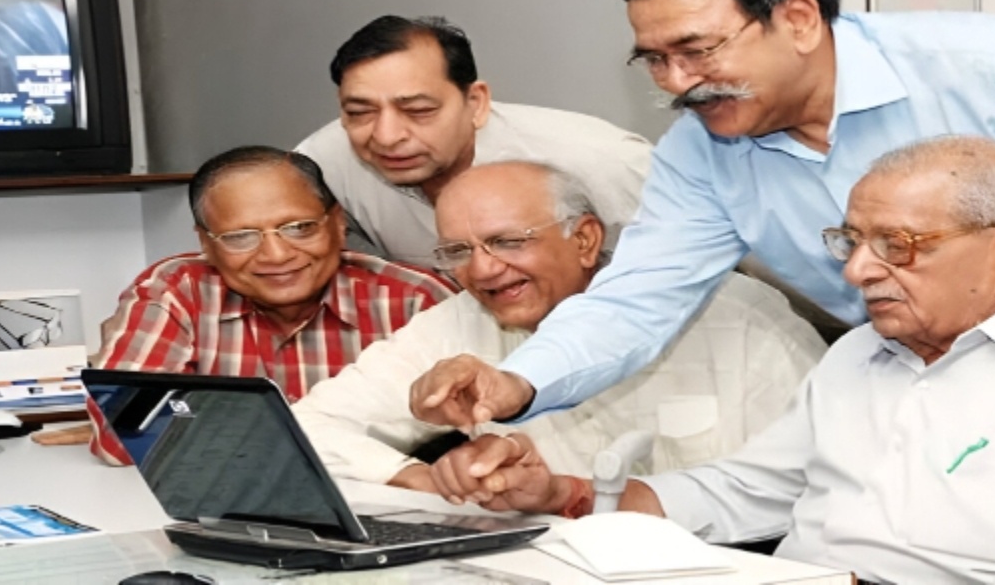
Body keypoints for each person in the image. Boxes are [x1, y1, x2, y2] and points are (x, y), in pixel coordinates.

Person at [407, 0, 995, 428]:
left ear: (797, 20)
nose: (677, 83)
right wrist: (520, 381)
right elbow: (635, 301)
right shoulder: (700, 152)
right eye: (655, 60)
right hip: (939, 381)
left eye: (698, 50)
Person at [427, 137, 995, 584]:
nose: (857, 272)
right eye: (851, 242)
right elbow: (745, 491)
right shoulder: (862, 352)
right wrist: (563, 492)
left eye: (896, 246)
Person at [292, 161, 824, 491]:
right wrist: (423, 480)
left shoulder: (733, 315)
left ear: (585, 240)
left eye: (507, 242)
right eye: (458, 251)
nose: (483, 270)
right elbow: (307, 430)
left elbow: (810, 481)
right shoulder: (457, 323)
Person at [38, 146, 454, 464]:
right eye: (240, 237)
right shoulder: (175, 290)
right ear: (206, 244)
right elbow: (123, 442)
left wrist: (185, 429)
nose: (276, 255)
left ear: (338, 224)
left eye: (299, 228)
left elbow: (475, 434)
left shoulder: (415, 299)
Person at [295, 15, 653, 267]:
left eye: (418, 110)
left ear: (476, 103)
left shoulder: (602, 162)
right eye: (359, 112)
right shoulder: (325, 162)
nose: (386, 137)